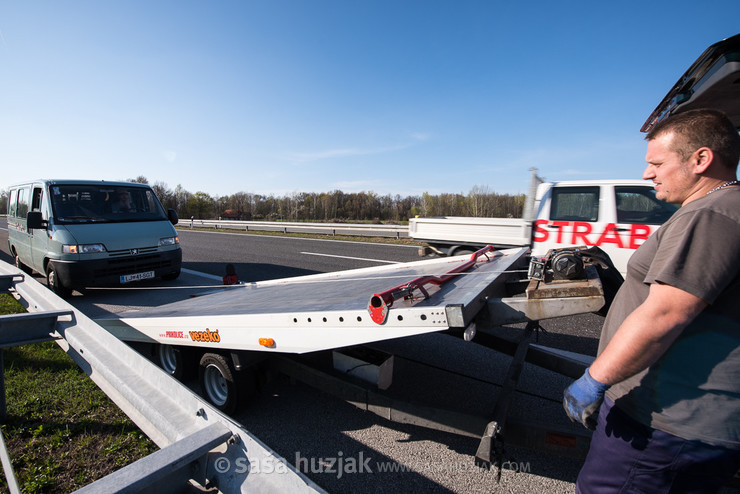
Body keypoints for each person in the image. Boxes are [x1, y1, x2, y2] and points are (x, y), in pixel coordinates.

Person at [563, 109, 740, 493]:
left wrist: (596, 379)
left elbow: (665, 313)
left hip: (665, 426)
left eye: (657, 163)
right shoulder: (720, 209)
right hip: (686, 422)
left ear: (701, 159)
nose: (647, 174)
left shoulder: (710, 215)